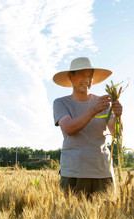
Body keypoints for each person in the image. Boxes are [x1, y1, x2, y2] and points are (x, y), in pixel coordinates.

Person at [53, 57, 122, 198]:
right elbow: (69, 128)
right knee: (71, 217)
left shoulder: (101, 102)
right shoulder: (61, 103)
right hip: (74, 172)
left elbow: (116, 133)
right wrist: (94, 110)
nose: (87, 79)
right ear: (71, 77)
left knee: (105, 217)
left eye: (90, 75)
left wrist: (118, 116)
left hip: (102, 171)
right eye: (82, 75)